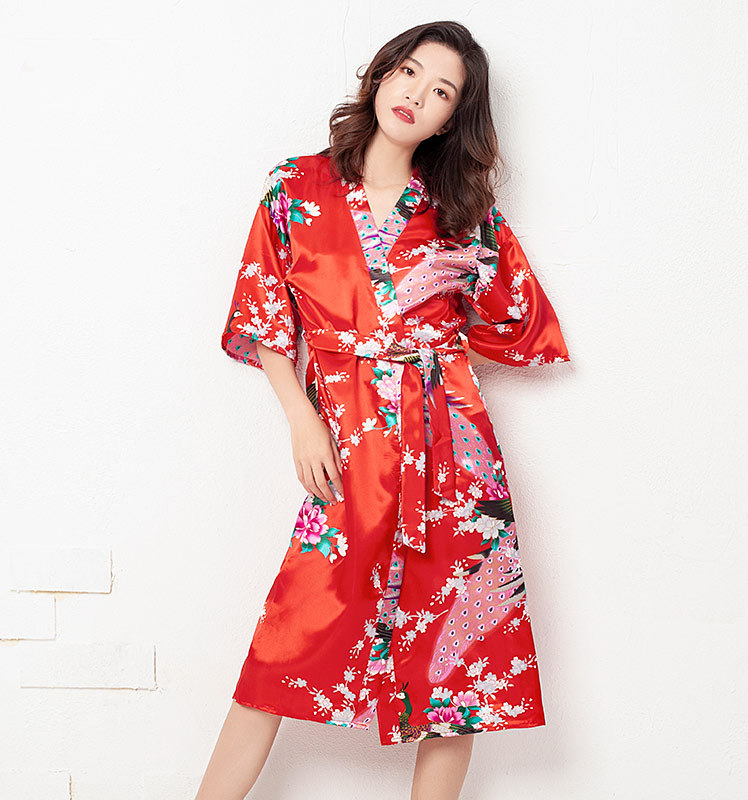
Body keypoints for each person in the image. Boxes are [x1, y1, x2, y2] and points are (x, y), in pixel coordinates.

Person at [196, 19, 570, 800]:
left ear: (451, 120)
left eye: (442, 92)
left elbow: (520, 321)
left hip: (454, 459)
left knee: (456, 669)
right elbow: (265, 317)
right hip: (346, 443)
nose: (417, 95)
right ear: (380, 74)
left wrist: (436, 344)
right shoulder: (295, 187)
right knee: (284, 642)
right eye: (409, 73)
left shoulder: (459, 210)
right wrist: (301, 419)